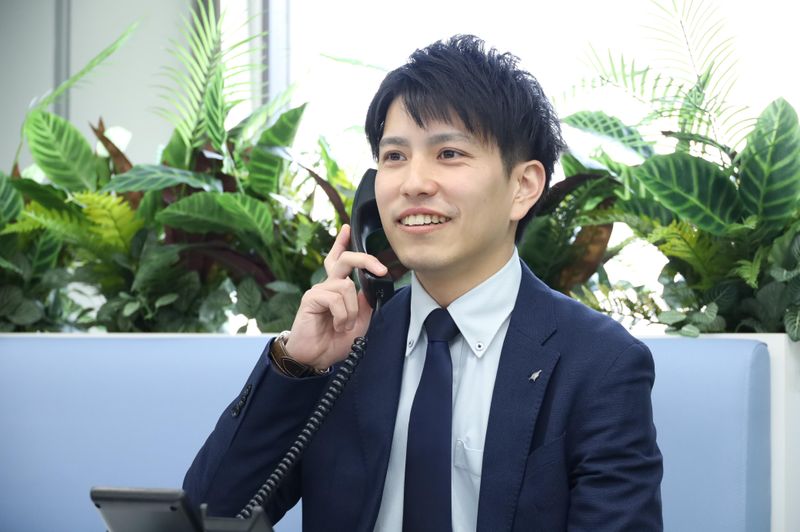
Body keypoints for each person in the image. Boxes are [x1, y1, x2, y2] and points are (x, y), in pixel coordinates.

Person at [183, 35, 663, 531]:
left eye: (449, 153)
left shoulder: (599, 364)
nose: (413, 183)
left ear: (523, 187)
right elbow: (204, 516)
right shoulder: (346, 349)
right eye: (394, 157)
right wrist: (297, 365)